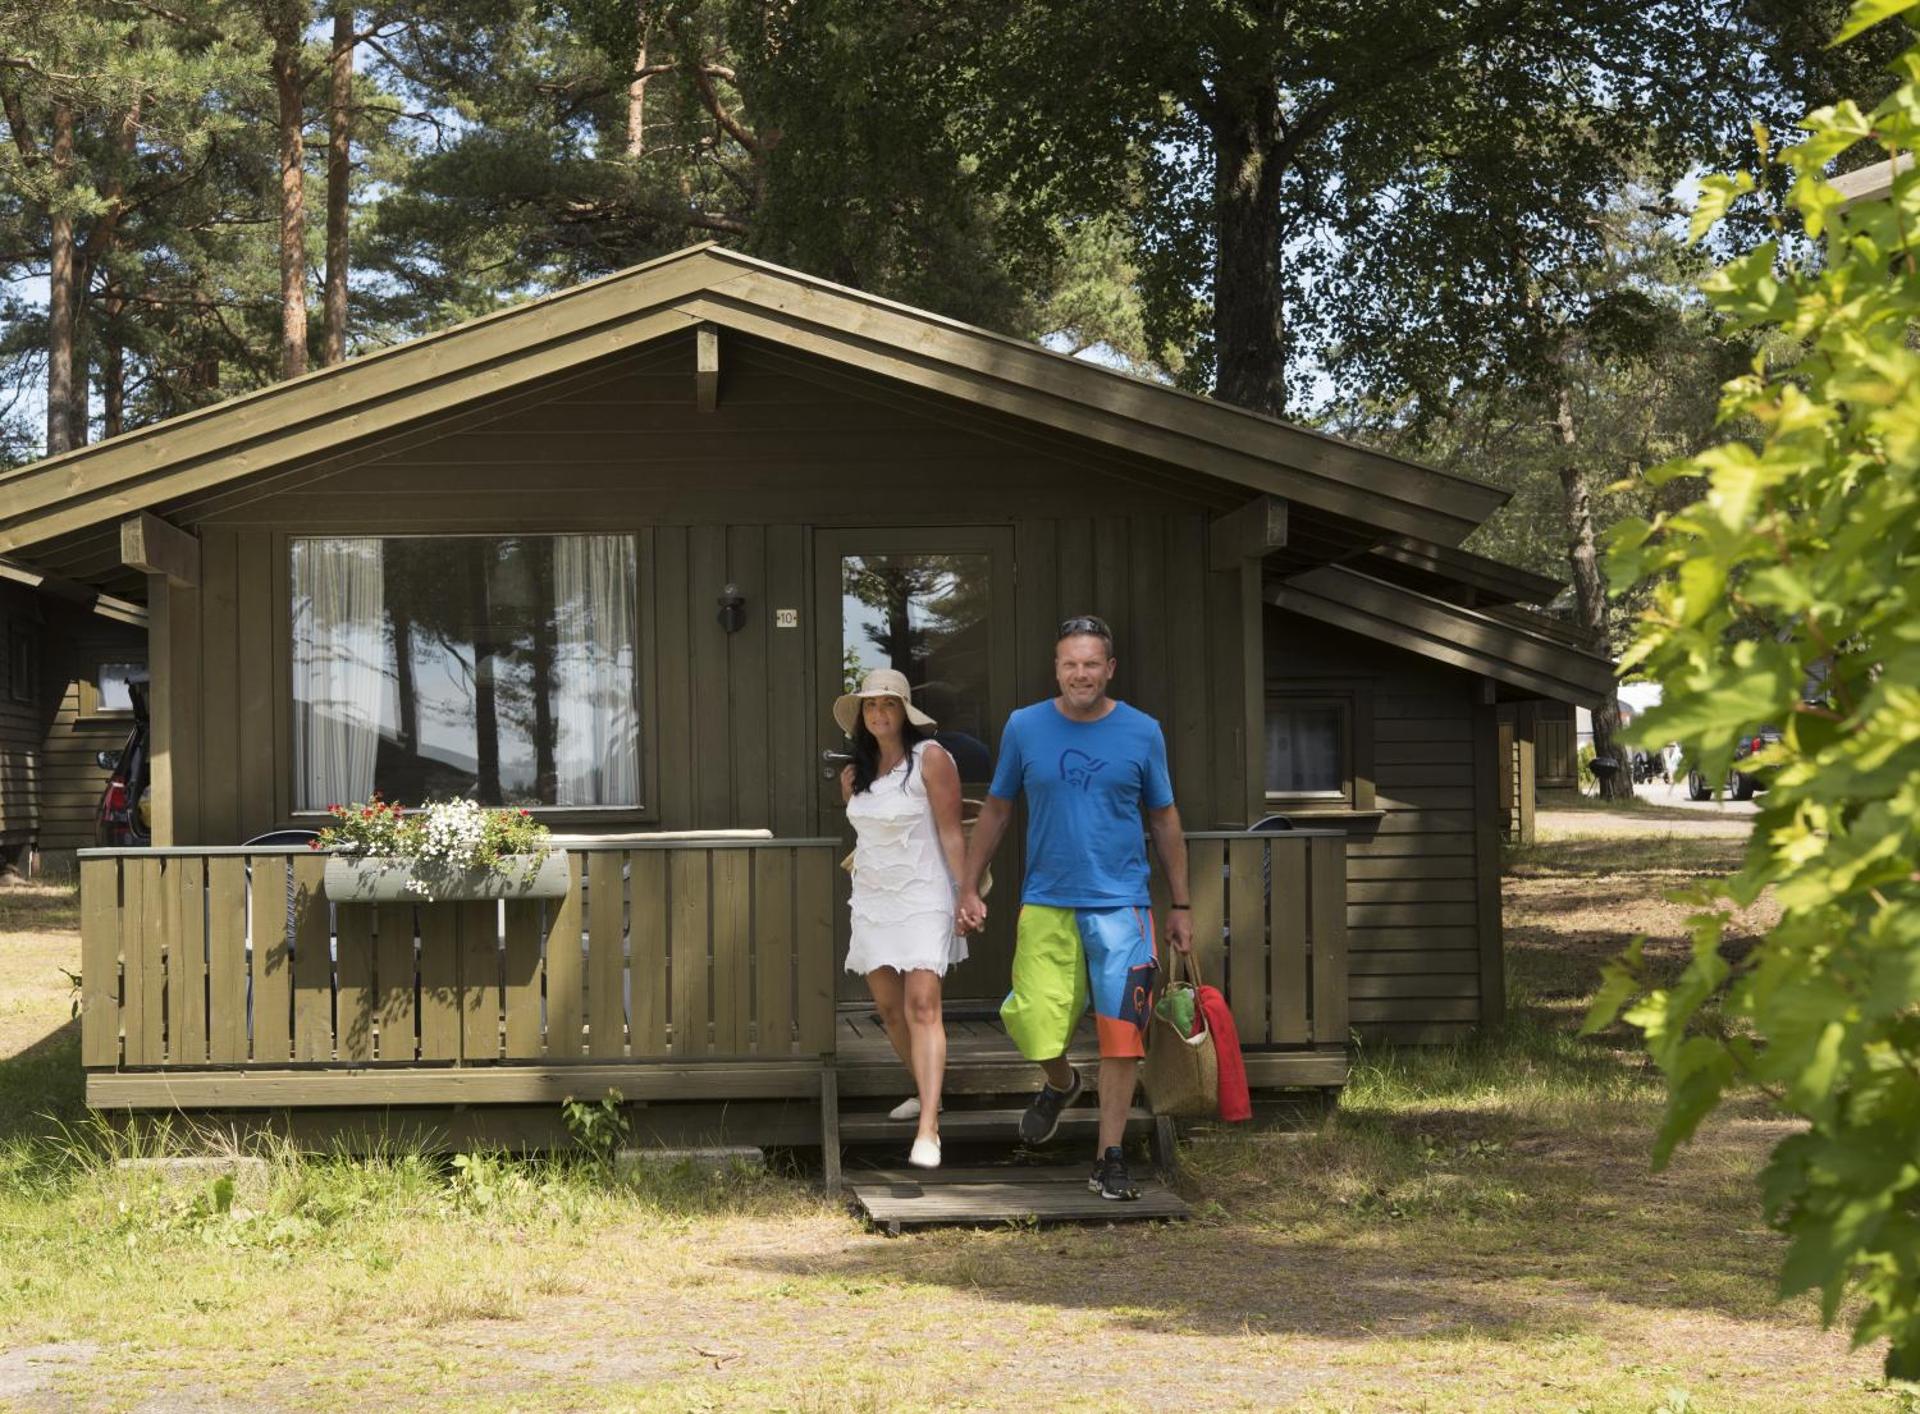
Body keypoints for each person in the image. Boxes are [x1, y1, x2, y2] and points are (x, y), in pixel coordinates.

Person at [956, 615, 1193, 1201]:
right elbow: (997, 809)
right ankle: (1061, 1084)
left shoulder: (1142, 732)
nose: (1080, 673)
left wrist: (1180, 903)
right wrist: (967, 884)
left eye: (1092, 664)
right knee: (1033, 1021)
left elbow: (1164, 819)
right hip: (1047, 901)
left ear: (1109, 669)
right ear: (1057, 668)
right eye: (1070, 664)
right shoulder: (1024, 727)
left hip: (1124, 906)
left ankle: (1108, 1157)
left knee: (1122, 1035)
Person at [836, 668, 971, 1170]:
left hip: (924, 893)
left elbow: (953, 833)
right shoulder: (854, 774)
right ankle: (924, 1090)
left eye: (887, 705)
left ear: (904, 711)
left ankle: (928, 1128)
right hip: (873, 899)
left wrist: (966, 893)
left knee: (921, 1006)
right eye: (869, 706)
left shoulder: (931, 760)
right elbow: (866, 838)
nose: (877, 714)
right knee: (889, 1010)